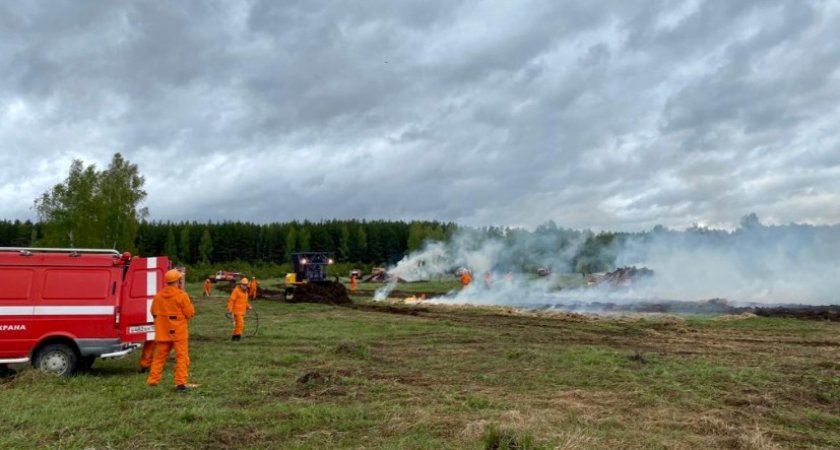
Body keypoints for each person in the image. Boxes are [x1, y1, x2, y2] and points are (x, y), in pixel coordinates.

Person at [146, 269, 196, 393]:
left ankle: (153, 381)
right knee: (181, 357)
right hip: (178, 333)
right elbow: (190, 313)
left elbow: (153, 312)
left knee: (159, 358)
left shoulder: (158, 296)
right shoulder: (181, 295)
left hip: (163, 332)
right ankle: (181, 384)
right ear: (178, 281)